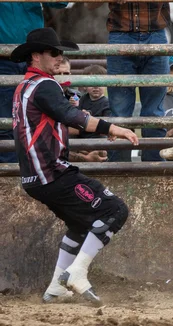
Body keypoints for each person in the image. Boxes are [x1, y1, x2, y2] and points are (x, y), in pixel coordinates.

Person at [11, 28, 139, 305]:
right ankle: (76, 273)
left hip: (36, 176)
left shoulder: (25, 87)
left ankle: (56, 286)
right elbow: (72, 117)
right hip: (52, 172)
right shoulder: (45, 86)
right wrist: (113, 127)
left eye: (60, 53)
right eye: (53, 52)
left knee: (80, 225)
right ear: (36, 56)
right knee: (115, 210)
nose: (60, 57)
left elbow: (56, 119)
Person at [86, 0, 170, 162]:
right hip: (121, 34)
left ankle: (154, 170)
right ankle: (120, 170)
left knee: (153, 112)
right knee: (120, 112)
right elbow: (88, 4)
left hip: (154, 32)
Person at [0, 1, 69, 163]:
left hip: (34, 55)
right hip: (4, 57)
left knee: (39, 115)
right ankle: (11, 170)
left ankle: (39, 166)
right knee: (5, 119)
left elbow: (61, 2)